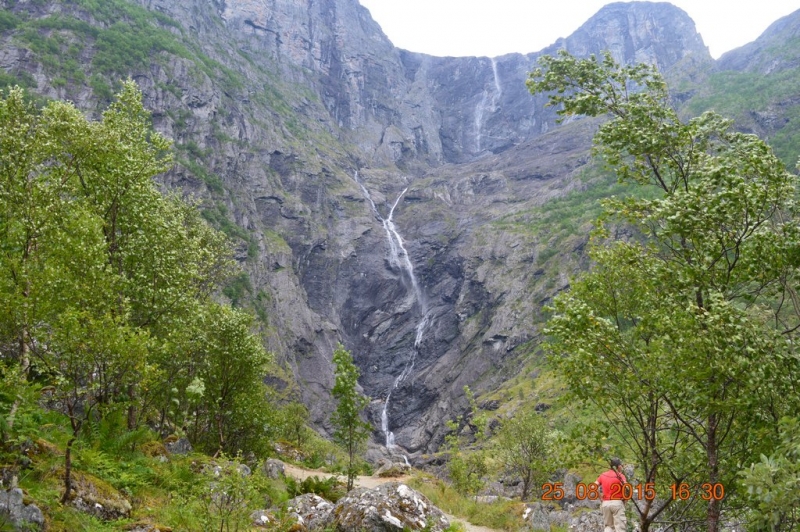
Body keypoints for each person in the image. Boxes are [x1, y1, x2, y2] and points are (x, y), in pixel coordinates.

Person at [594, 457, 627, 532]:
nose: (621, 467)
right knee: (620, 528)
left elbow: (593, 486)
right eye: (621, 465)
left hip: (605, 504)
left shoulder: (603, 475)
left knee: (608, 527)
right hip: (617, 503)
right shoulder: (620, 476)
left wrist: (600, 497)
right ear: (618, 466)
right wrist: (625, 500)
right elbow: (627, 488)